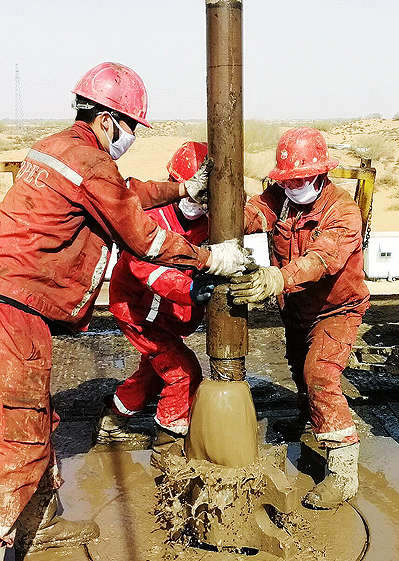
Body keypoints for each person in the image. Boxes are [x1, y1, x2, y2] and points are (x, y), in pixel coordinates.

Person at [0, 62, 252, 559]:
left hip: (17, 300)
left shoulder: (58, 149)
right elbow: (145, 240)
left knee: (35, 418)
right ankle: (12, 532)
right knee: (21, 431)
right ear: (108, 119)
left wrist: (182, 190)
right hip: (15, 309)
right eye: (131, 127)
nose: (132, 136)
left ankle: (38, 522)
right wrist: (210, 260)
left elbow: (126, 191)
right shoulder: (89, 163)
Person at [230, 127, 370, 510]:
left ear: (321, 173)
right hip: (296, 306)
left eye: (300, 179)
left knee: (319, 374)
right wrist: (221, 206)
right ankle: (310, 417)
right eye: (287, 180)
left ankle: (343, 472)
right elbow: (252, 215)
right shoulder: (281, 197)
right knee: (298, 366)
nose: (293, 186)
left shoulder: (342, 211)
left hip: (336, 309)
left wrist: (275, 278)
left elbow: (322, 259)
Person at [94, 141, 214, 467]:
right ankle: (167, 450)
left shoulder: (207, 222)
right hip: (137, 310)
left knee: (154, 370)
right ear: (176, 183)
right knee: (182, 372)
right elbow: (147, 269)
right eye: (193, 193)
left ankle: (111, 422)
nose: (198, 203)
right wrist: (190, 290)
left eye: (205, 196)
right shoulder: (148, 218)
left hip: (169, 313)